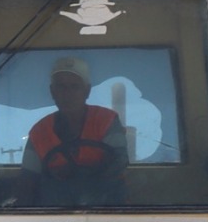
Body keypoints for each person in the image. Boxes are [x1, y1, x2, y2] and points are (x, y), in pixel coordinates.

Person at [21, 55, 129, 206]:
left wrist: (83, 174)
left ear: (87, 91)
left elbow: (120, 160)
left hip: (108, 211)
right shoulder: (39, 132)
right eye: (61, 87)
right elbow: (28, 180)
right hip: (53, 214)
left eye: (74, 87)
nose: (67, 94)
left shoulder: (107, 120)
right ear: (52, 91)